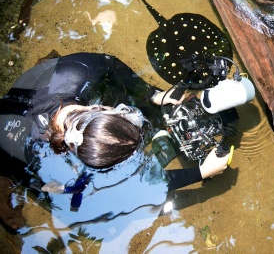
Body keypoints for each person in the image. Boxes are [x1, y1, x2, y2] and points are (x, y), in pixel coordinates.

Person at [0, 52, 232, 218]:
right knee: (96, 209)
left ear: (100, 109)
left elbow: (110, 65)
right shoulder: (53, 168)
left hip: (27, 100)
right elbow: (129, 191)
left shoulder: (78, 72)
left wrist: (153, 95)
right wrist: (202, 172)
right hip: (11, 144)